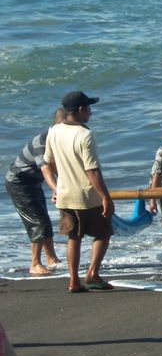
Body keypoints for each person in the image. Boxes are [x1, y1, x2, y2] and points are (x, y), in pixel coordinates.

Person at [44, 91, 115, 292]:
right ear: (81, 110)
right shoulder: (85, 134)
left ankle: (73, 280)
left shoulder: (54, 131)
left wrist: (59, 184)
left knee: (73, 237)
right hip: (86, 196)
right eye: (89, 109)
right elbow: (92, 170)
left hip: (65, 195)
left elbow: (48, 162)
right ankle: (92, 272)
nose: (91, 112)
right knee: (104, 232)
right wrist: (106, 197)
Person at [5, 108, 65, 276]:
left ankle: (51, 258)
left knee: (44, 218)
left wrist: (61, 186)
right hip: (18, 183)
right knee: (38, 221)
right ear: (58, 125)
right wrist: (56, 189)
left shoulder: (57, 141)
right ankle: (35, 264)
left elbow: (57, 167)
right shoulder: (43, 141)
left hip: (33, 182)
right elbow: (46, 168)